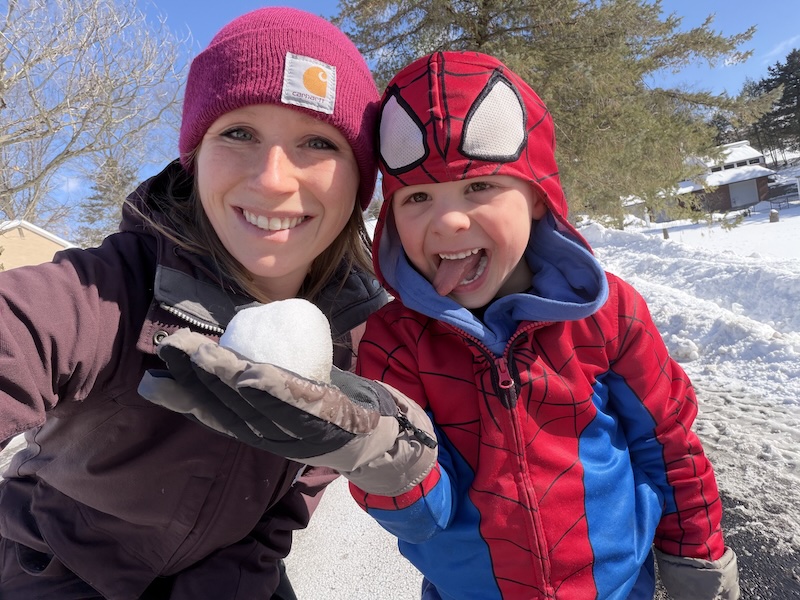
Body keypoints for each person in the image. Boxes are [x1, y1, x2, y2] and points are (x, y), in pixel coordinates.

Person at [0, 7, 389, 599]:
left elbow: (287, 505)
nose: (273, 179)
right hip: (53, 572)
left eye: (317, 142)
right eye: (238, 133)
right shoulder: (110, 291)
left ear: (357, 182)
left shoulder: (358, 337)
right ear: (196, 153)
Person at [351, 51, 740, 599]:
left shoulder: (606, 315)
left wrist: (696, 561)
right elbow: (422, 521)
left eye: (479, 187)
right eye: (417, 197)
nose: (448, 220)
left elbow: (668, 444)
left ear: (536, 196)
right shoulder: (397, 343)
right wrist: (377, 458)